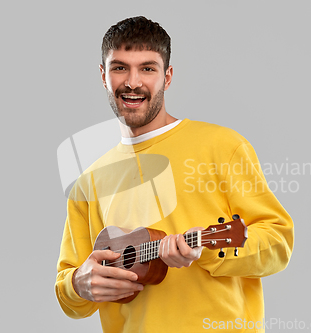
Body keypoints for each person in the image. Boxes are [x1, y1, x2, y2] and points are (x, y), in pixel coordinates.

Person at [55, 16, 294, 333]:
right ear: (103, 75)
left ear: (167, 77)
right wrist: (78, 284)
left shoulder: (222, 146)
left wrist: (209, 252)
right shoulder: (89, 181)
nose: (133, 82)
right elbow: (69, 287)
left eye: (148, 68)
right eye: (120, 67)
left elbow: (278, 243)